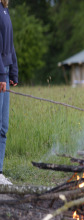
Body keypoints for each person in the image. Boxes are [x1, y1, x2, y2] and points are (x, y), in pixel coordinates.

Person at [0, 0, 18, 184]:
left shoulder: (5, 9)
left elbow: (9, 45)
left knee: (3, 127)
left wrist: (13, 72)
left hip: (5, 74)